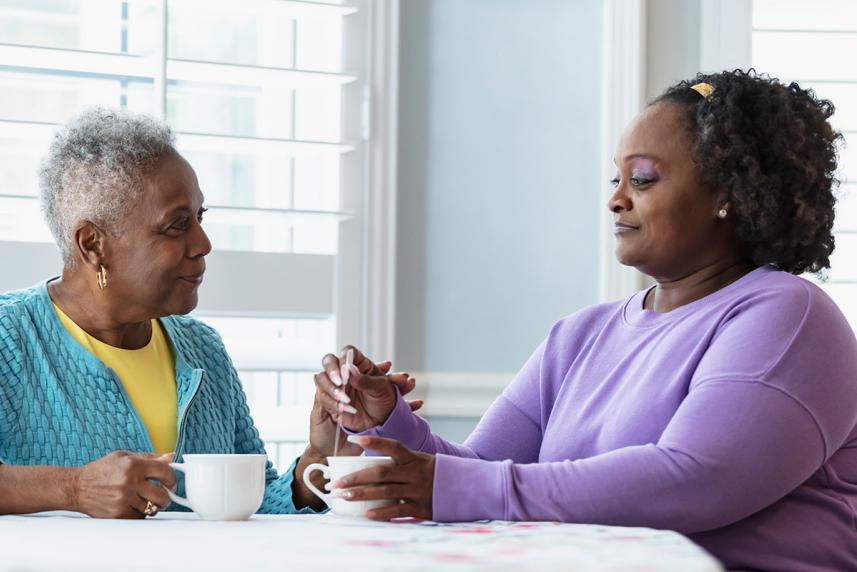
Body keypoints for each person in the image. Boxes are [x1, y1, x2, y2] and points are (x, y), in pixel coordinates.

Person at [310, 70, 857, 571]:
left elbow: (698, 480)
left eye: (642, 179)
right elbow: (481, 470)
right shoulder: (580, 335)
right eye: (614, 180)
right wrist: (388, 424)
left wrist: (463, 485)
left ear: (727, 195)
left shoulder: (787, 313)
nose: (616, 200)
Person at [0, 107, 418, 518]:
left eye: (199, 218)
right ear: (92, 244)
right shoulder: (9, 338)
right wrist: (74, 489)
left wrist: (319, 456)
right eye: (176, 225)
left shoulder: (203, 348)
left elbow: (253, 507)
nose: (203, 243)